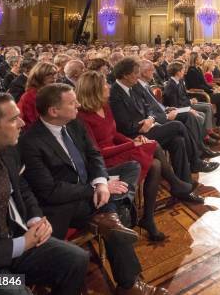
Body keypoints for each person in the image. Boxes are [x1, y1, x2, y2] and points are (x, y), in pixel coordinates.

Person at [19, 84, 166, 295]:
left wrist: (101, 182)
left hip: (91, 186)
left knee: (131, 167)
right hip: (66, 202)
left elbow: (94, 154)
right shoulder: (31, 142)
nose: (78, 104)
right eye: (72, 103)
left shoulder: (74, 123)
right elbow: (51, 191)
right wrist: (94, 189)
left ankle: (111, 212)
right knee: (114, 216)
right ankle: (129, 284)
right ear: (54, 111)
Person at [0, 93, 89, 295]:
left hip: (16, 238)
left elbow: (21, 186)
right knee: (16, 289)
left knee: (76, 258)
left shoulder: (8, 149)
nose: (22, 123)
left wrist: (34, 218)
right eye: (13, 119)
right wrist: (22, 243)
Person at [76, 71, 176, 241]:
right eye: (104, 84)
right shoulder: (82, 117)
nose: (108, 86)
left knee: (155, 162)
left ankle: (148, 217)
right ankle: (173, 186)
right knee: (154, 147)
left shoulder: (105, 106)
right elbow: (96, 152)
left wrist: (133, 140)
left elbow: (114, 134)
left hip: (117, 148)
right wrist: (131, 144)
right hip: (102, 160)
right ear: (94, 90)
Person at [110, 58, 218, 187]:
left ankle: (184, 183)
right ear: (125, 75)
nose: (138, 75)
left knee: (178, 141)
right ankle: (195, 161)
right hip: (136, 136)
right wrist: (143, 125)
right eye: (135, 72)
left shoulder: (130, 87)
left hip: (149, 126)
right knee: (177, 125)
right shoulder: (115, 93)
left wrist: (151, 119)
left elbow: (147, 108)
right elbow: (124, 126)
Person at [185, 53, 220, 129]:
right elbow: (197, 86)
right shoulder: (191, 70)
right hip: (199, 94)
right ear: (195, 59)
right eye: (200, 57)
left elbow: (205, 83)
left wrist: (213, 89)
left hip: (205, 91)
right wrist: (211, 90)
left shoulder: (198, 69)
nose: (202, 59)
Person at [17, 62, 58, 130]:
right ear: (39, 76)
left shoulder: (53, 92)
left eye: (55, 74)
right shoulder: (29, 97)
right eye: (49, 74)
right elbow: (33, 123)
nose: (54, 78)